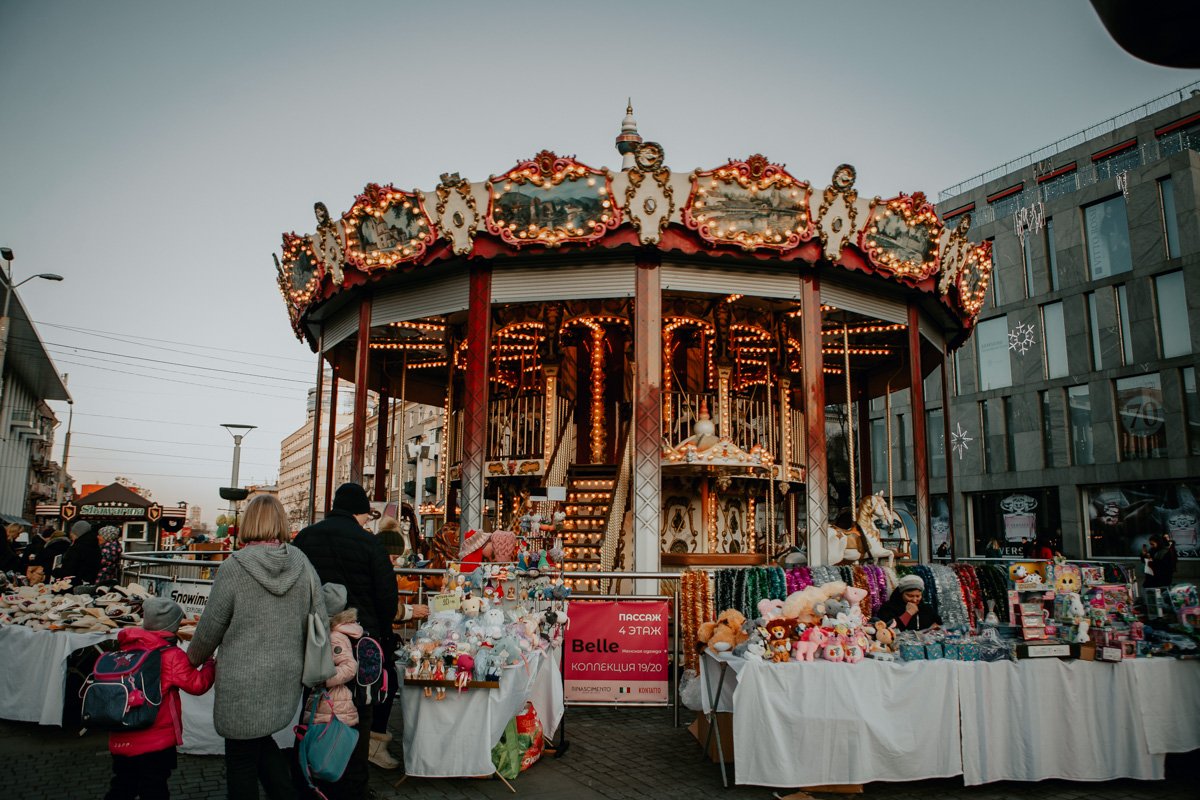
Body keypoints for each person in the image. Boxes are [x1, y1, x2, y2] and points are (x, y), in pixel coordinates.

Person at [188, 495, 317, 800]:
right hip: (286, 672)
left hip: (242, 677)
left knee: (241, 758)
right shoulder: (303, 564)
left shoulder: (236, 566)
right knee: (259, 742)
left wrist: (193, 657)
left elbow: (211, 627)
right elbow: (318, 617)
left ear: (248, 522)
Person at [293, 482, 427, 775]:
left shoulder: (304, 538)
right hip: (361, 638)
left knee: (315, 703)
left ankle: (309, 768)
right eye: (367, 514)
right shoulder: (370, 544)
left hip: (315, 637)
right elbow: (386, 596)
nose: (369, 519)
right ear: (358, 511)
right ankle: (352, 777)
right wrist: (383, 629)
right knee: (359, 707)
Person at [105, 597, 216, 800]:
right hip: (156, 742)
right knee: (154, 789)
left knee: (122, 786)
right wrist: (210, 664)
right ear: (173, 626)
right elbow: (197, 685)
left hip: (120, 737)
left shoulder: (124, 648)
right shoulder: (171, 655)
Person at [298, 583, 362, 799]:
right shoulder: (331, 632)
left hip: (333, 705)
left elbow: (349, 666)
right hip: (330, 705)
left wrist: (323, 680)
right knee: (327, 754)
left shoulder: (334, 636)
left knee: (327, 754)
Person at [875, 574, 942, 631]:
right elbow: (887, 630)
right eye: (910, 596)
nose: (914, 600)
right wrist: (908, 614)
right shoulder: (888, 608)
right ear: (901, 594)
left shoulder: (927, 609)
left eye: (918, 596)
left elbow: (939, 624)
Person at [56, 520, 102, 585]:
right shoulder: (95, 545)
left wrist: (57, 572)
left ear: (78, 533)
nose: (71, 535)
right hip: (88, 583)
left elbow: (70, 568)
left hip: (73, 583)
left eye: (73, 533)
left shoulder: (78, 547)